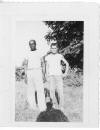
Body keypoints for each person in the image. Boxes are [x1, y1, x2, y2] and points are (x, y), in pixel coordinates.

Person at [23, 40, 46, 112]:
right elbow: (25, 64)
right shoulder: (27, 53)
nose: (31, 45)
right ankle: (32, 106)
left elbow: (43, 63)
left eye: (33, 44)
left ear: (35, 44)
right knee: (30, 90)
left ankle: (42, 107)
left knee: (40, 89)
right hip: (29, 71)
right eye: (30, 44)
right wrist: (25, 75)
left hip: (38, 71)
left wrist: (43, 74)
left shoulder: (40, 52)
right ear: (29, 45)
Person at [45, 43, 69, 111]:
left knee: (60, 91)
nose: (53, 49)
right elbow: (47, 67)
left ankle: (61, 106)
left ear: (57, 49)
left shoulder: (59, 56)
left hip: (58, 76)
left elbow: (67, 64)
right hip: (51, 76)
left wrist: (65, 73)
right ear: (50, 49)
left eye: (55, 48)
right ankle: (55, 105)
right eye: (52, 48)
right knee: (52, 91)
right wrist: (46, 75)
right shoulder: (48, 57)